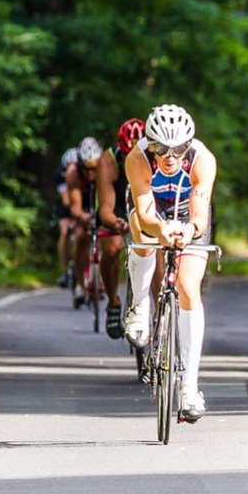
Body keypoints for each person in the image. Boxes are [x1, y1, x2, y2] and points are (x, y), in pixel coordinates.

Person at [123, 104, 217, 422]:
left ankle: (189, 388)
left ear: (188, 145)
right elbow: (146, 213)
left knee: (187, 287)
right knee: (141, 232)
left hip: (188, 214)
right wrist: (161, 229)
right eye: (160, 147)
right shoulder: (137, 159)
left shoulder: (202, 160)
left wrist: (188, 230)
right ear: (149, 143)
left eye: (177, 148)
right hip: (154, 212)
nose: (169, 155)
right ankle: (139, 307)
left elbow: (201, 216)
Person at [95, 119, 143, 338]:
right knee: (112, 248)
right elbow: (105, 208)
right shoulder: (108, 160)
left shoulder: (155, 160)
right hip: (116, 208)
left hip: (144, 206)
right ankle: (113, 300)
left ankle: (156, 310)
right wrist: (116, 222)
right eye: (127, 156)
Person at [65, 136, 104, 307]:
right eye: (86, 170)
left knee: (107, 236)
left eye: (93, 169)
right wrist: (83, 217)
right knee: (81, 236)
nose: (90, 174)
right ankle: (80, 283)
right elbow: (74, 207)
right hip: (83, 207)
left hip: (100, 203)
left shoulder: (105, 169)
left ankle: (100, 277)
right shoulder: (73, 173)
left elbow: (107, 200)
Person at [54, 147, 78, 288]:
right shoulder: (60, 175)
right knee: (64, 232)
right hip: (66, 207)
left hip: (82, 204)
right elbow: (66, 200)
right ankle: (64, 271)